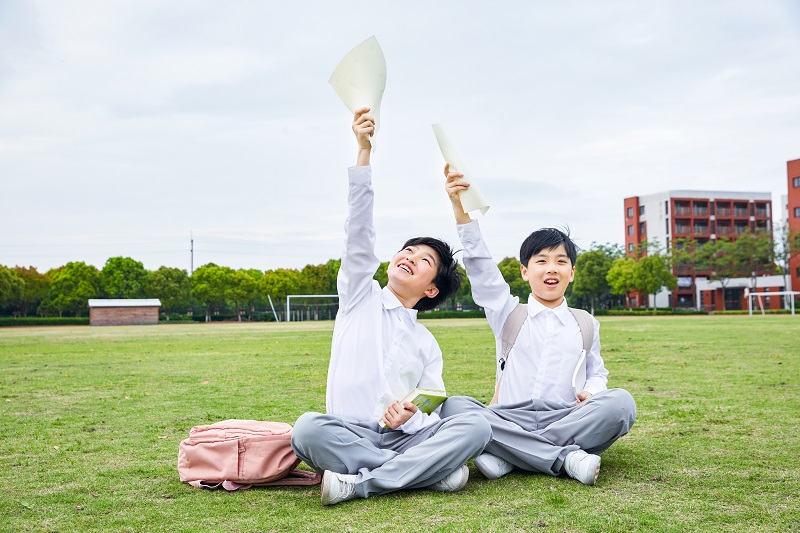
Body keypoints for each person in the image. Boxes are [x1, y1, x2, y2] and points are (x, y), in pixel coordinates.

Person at [290, 109, 492, 505]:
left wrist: (410, 417)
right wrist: (363, 153)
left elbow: (431, 404)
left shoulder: (426, 342)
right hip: (350, 433)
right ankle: (423, 473)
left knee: (476, 428)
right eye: (408, 250)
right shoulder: (357, 297)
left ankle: (364, 483)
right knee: (306, 429)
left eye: (424, 261)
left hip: (407, 438)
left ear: (432, 290)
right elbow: (359, 234)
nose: (411, 257)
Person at [439, 164, 636, 486]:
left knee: (621, 402)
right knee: (454, 407)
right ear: (525, 271)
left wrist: (591, 390)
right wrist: (460, 210)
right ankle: (563, 458)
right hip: (508, 417)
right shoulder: (508, 312)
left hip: (565, 416)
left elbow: (597, 371)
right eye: (541, 260)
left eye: (561, 261)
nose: (551, 268)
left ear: (571, 272)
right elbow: (481, 267)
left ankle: (508, 455)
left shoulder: (585, 323)